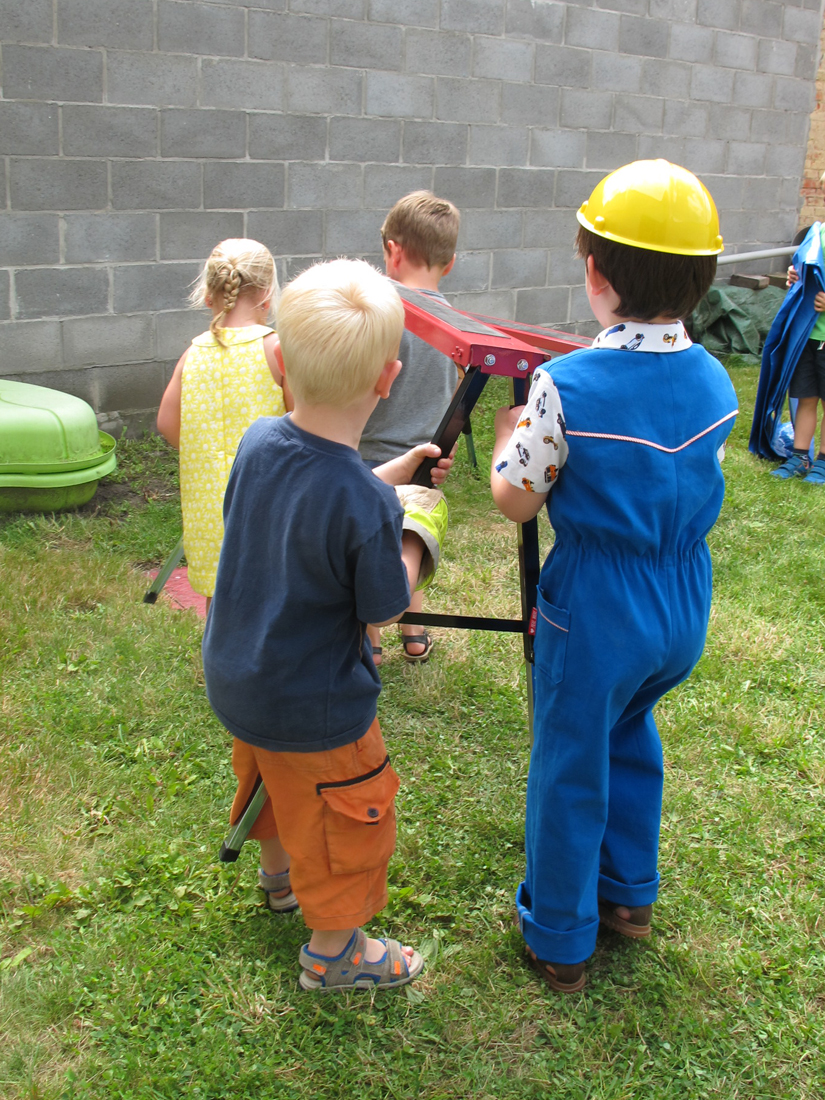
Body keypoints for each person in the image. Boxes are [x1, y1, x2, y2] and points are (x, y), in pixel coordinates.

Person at [490, 160, 739, 993]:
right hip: (680, 603)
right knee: (629, 729)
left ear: (594, 272)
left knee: (568, 761)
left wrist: (509, 438)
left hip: (597, 608)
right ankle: (628, 892)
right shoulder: (713, 378)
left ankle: (560, 935)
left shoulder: (564, 384)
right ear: (701, 278)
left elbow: (516, 500)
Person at [202, 258, 450, 992]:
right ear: (388, 378)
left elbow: (319, 491)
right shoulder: (364, 506)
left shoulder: (257, 442)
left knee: (274, 780)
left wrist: (393, 475)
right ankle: (336, 951)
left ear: (278, 360)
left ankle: (279, 879)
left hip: (244, 679)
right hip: (317, 705)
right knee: (346, 815)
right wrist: (414, 533)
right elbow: (383, 606)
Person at [157, 238, 290, 610]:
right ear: (267, 294)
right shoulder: (276, 349)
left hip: (208, 501)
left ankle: (218, 644)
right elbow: (304, 422)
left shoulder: (193, 353)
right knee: (268, 591)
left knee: (219, 594)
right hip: (266, 495)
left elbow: (167, 423)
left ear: (208, 294)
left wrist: (203, 451)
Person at [360, 190, 460, 664]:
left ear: (393, 251)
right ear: (450, 263)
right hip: (424, 466)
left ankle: (370, 642)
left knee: (369, 550)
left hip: (371, 462)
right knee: (409, 540)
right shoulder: (457, 325)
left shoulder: (382, 313)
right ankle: (415, 634)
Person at [769, 195, 825, 483]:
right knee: (806, 397)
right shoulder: (817, 234)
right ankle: (800, 457)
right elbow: (807, 269)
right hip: (807, 335)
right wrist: (796, 276)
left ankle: (823, 462)